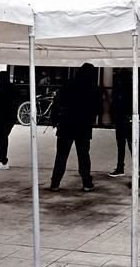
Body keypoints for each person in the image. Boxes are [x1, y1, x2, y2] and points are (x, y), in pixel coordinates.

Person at [49, 63, 100, 191]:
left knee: (61, 155)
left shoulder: (68, 85)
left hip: (66, 125)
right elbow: (97, 109)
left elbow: (57, 102)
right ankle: (86, 183)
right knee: (83, 155)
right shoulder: (92, 88)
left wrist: (55, 119)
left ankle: (55, 183)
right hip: (83, 126)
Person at [0, 70, 18, 170]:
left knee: (0, 139)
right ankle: (3, 160)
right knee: (3, 138)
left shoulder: (1, 89)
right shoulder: (12, 88)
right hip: (9, 118)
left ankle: (3, 160)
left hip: (2, 118)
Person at [108, 69, 132, 178]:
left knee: (121, 145)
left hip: (120, 118)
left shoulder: (119, 88)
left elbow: (114, 104)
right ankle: (137, 168)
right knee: (132, 145)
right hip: (129, 119)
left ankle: (120, 167)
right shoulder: (131, 88)